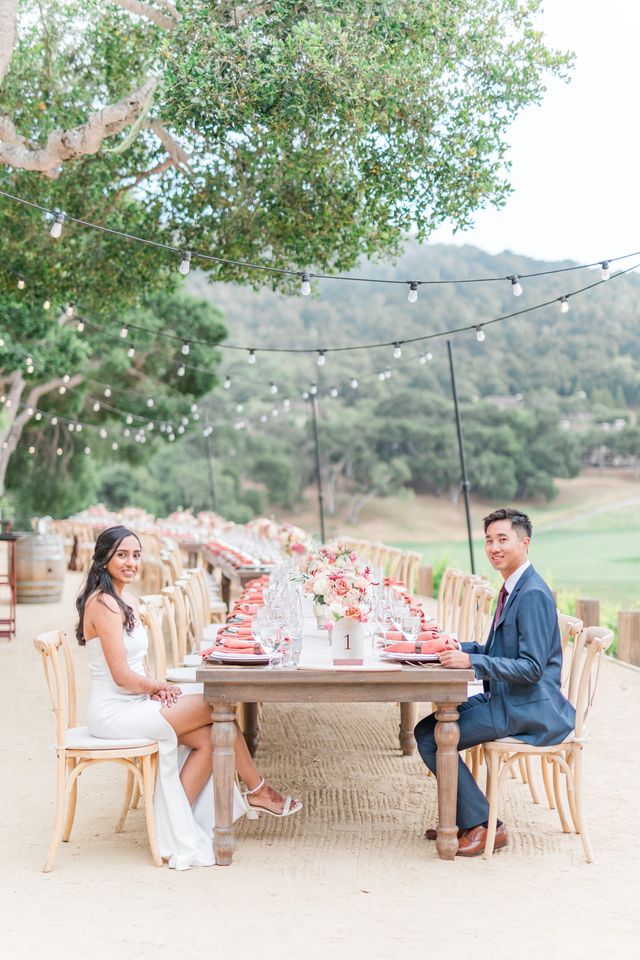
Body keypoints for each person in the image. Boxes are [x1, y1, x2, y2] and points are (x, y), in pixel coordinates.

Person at [77, 525, 302, 870]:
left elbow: (137, 665)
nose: (130, 562)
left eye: (136, 555)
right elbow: (121, 676)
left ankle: (173, 822)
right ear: (104, 557)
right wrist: (157, 687)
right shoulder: (103, 603)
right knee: (217, 702)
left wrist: (158, 686)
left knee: (214, 737)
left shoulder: (125, 599)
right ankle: (257, 789)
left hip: (134, 703)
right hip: (113, 712)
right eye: (122, 555)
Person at [414, 508, 575, 857]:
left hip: (528, 706)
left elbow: (531, 668)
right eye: (489, 540)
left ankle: (486, 825)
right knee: (432, 729)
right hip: (508, 697)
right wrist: (459, 647)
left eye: (503, 539)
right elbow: (499, 651)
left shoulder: (531, 593)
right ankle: (463, 819)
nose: (493, 548)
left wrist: (472, 662)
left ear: (524, 542)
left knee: (432, 737)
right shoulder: (514, 587)